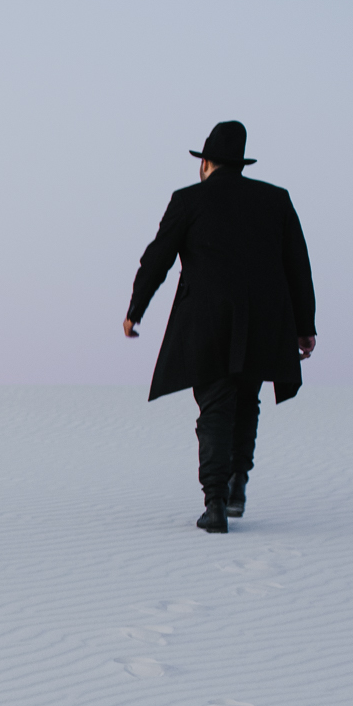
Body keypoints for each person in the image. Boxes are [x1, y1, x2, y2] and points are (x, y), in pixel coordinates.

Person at [124, 121, 317, 533]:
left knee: (214, 405)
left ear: (206, 162)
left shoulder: (188, 200)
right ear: (239, 163)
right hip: (262, 323)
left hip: (207, 323)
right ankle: (237, 485)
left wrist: (135, 310)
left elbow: (157, 258)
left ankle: (215, 501)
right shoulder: (275, 200)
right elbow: (298, 266)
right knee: (245, 399)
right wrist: (305, 326)